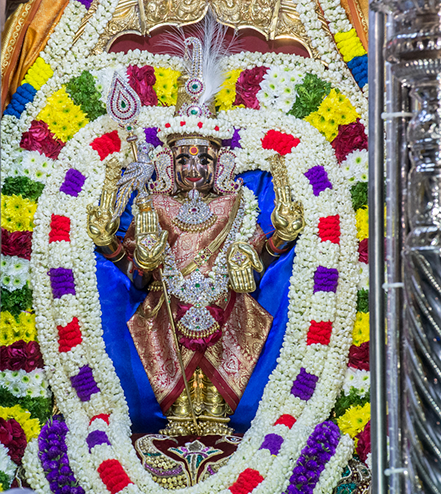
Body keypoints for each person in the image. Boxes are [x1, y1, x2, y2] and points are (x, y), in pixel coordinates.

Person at [86, 32, 305, 436]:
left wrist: (281, 238)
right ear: (168, 162)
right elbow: (138, 271)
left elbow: (256, 256)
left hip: (226, 308)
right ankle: (179, 420)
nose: (192, 169)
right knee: (178, 386)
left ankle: (218, 421)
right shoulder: (155, 204)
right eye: (183, 158)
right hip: (167, 309)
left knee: (218, 394)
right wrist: (110, 244)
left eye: (202, 158)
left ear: (219, 164)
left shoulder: (235, 203)